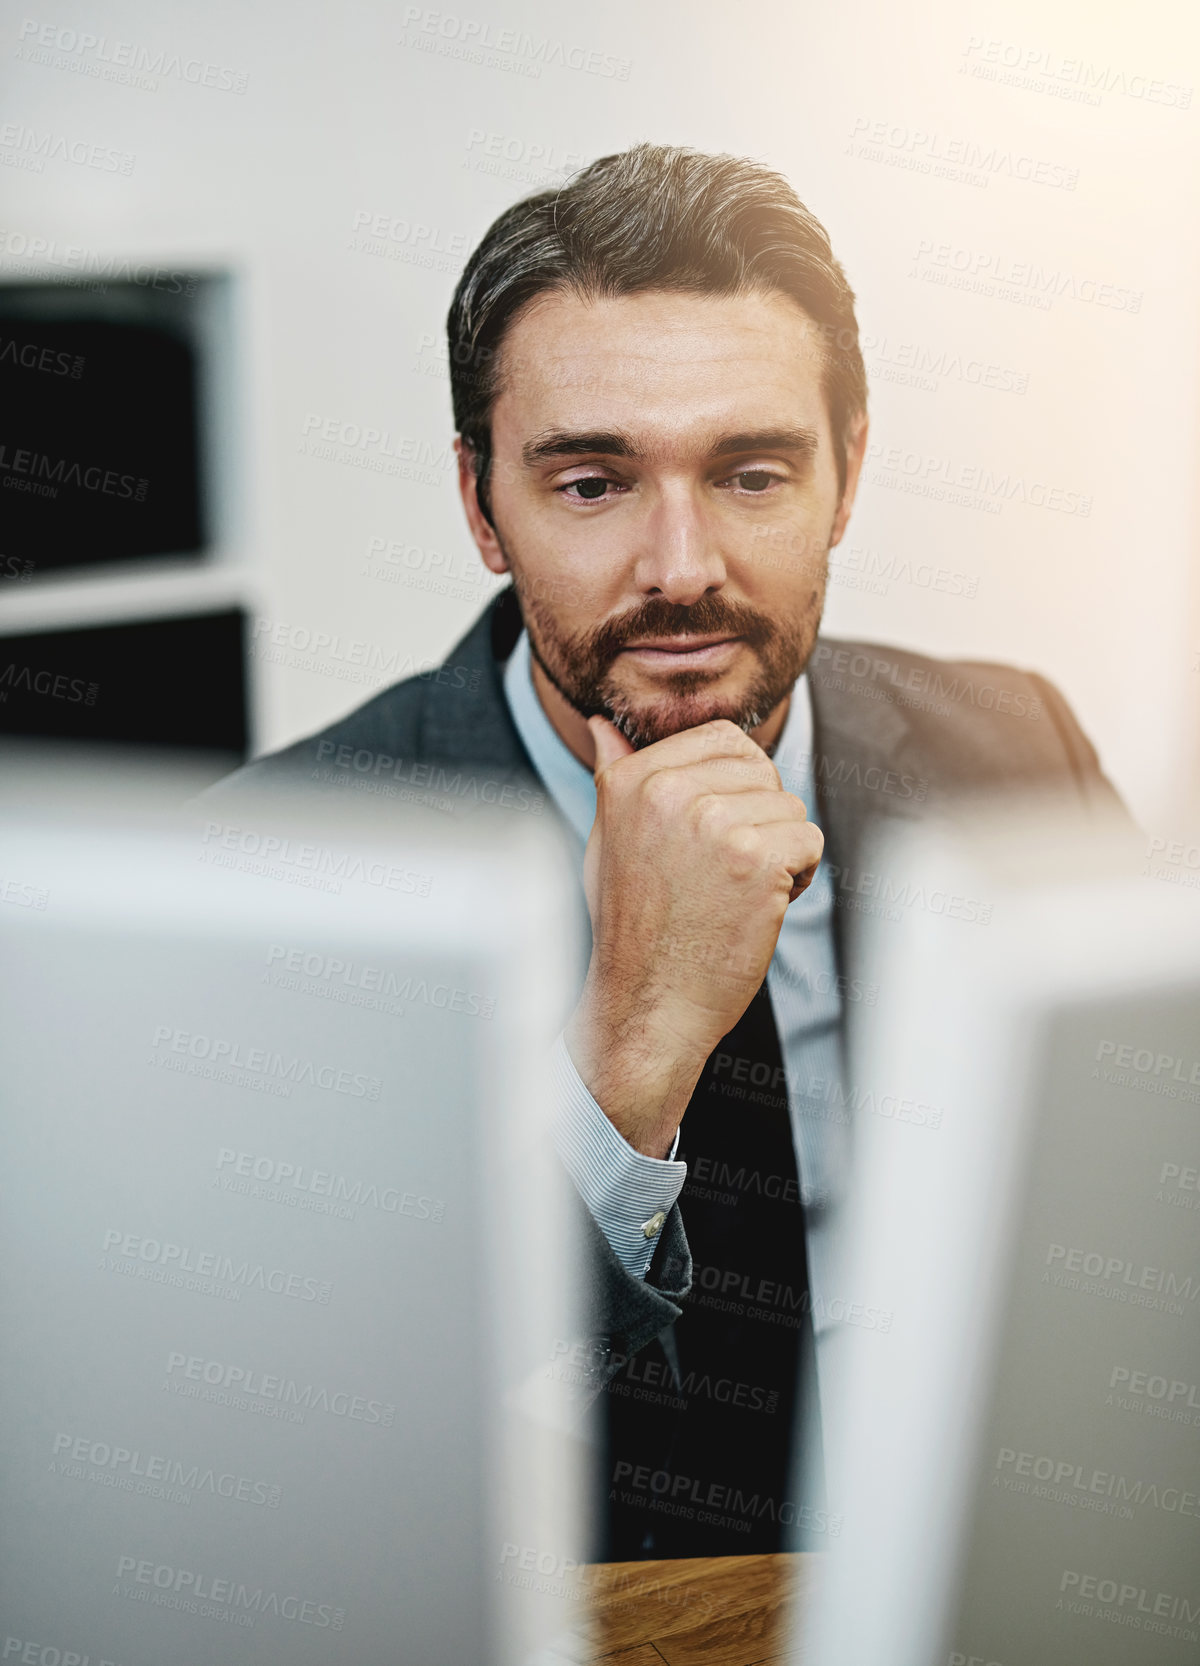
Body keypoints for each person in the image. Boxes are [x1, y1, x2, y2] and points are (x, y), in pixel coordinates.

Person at [208, 143, 1128, 1559]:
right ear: (479, 504)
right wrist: (622, 1070)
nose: (683, 563)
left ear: (850, 472)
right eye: (592, 484)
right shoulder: (286, 878)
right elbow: (300, 1459)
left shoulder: (1014, 747)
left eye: (753, 471)